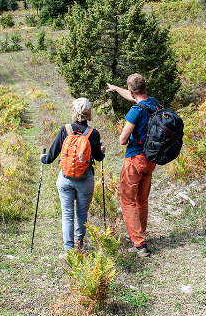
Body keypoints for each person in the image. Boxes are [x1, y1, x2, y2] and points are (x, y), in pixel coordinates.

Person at [41, 98, 105, 253]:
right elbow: (98, 158)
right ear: (88, 114)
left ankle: (68, 250)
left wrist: (42, 158)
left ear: (75, 112)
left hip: (65, 178)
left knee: (67, 214)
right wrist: (102, 151)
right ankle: (79, 244)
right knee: (82, 214)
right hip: (85, 180)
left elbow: (50, 157)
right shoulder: (93, 133)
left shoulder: (65, 130)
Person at [106, 74, 159, 257]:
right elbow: (133, 96)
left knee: (128, 201)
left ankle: (139, 243)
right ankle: (140, 233)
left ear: (131, 90)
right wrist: (115, 88)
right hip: (151, 159)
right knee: (142, 200)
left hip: (134, 159)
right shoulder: (154, 103)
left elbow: (122, 140)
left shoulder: (136, 111)